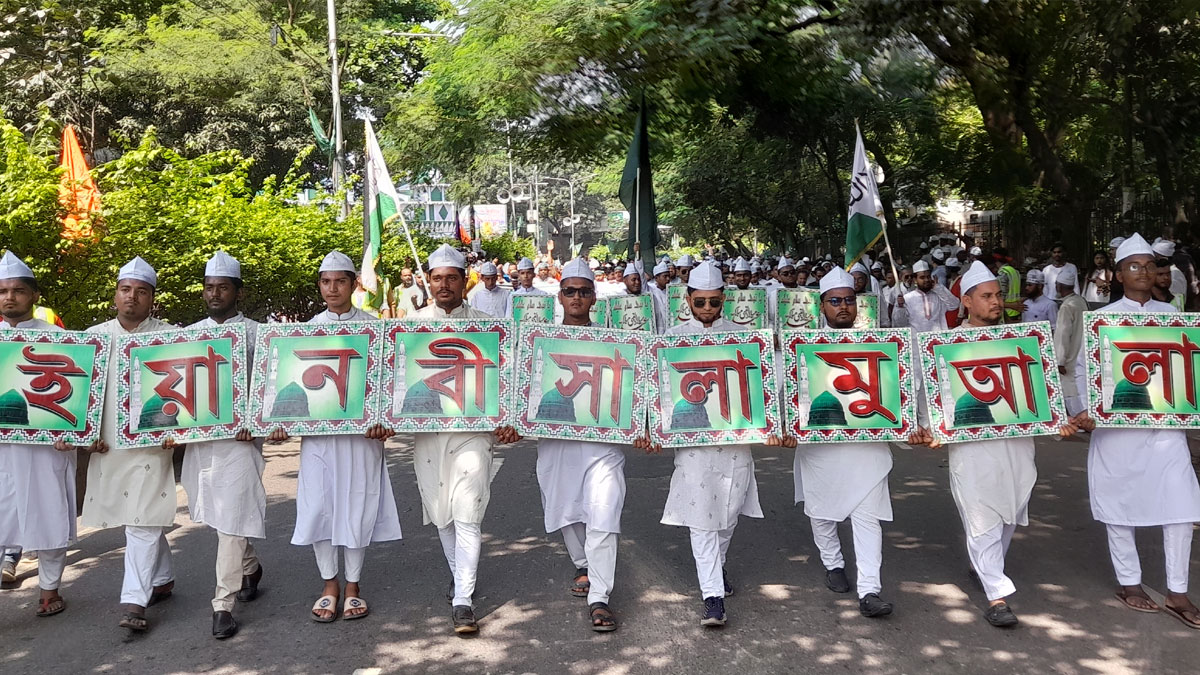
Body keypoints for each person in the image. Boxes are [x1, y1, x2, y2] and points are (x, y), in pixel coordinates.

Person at [910, 261, 1078, 628]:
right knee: (981, 515)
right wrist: (932, 428)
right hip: (971, 451)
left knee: (1009, 512)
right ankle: (996, 596)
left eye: (998, 295)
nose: (996, 302)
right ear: (967, 302)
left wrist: (1058, 423)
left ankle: (985, 568)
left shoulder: (1022, 342)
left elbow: (1039, 392)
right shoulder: (947, 345)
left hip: (1017, 447)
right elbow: (934, 398)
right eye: (987, 296)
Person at [267, 251, 402, 624]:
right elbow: (288, 387)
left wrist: (386, 421)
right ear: (319, 286)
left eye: (340, 281)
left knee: (358, 505)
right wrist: (279, 421)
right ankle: (329, 584)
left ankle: (353, 586)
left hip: (362, 438)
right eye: (326, 282)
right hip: (319, 440)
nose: (332, 289)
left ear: (353, 284)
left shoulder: (376, 331)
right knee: (319, 508)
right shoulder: (304, 333)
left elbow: (389, 385)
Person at [1075, 233, 1200, 629]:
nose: (1144, 272)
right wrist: (1086, 409)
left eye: (1150, 266)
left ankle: (1178, 591)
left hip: (1166, 429)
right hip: (1117, 432)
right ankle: (1129, 582)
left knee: (1181, 505)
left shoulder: (1174, 318)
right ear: (1118, 275)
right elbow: (1082, 370)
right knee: (1120, 504)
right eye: (1134, 266)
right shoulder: (1102, 319)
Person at [655, 260, 790, 627]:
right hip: (693, 448)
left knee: (727, 517)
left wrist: (772, 424)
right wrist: (651, 428)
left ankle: (718, 566)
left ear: (723, 300)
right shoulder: (672, 340)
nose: (707, 308)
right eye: (700, 302)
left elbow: (762, 389)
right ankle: (712, 596)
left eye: (714, 302)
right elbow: (658, 393)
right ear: (687, 300)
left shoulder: (744, 338)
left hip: (736, 446)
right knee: (702, 519)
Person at [409, 244, 522, 634]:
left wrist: (509, 419)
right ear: (429, 281)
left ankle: (463, 601)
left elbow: (506, 378)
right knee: (441, 514)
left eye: (451, 278)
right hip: (429, 435)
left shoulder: (489, 328)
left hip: (473, 433)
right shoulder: (410, 327)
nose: (444, 285)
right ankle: (460, 578)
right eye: (437, 278)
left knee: (467, 513)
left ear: (465, 281)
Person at [535, 258, 641, 632]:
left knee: (604, 511)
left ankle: (600, 596)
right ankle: (583, 563)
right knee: (565, 508)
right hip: (557, 443)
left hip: (603, 446)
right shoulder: (539, 343)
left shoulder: (615, 343)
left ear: (594, 297)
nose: (577, 297)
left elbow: (632, 391)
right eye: (570, 291)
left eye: (583, 291)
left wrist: (643, 423)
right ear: (560, 297)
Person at [81, 257, 176, 632]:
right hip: (109, 445)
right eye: (125, 290)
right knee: (135, 516)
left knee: (143, 519)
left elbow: (188, 392)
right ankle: (162, 577)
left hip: (153, 445)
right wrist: (84, 436)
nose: (132, 297)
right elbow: (78, 395)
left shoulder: (170, 337)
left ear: (152, 298)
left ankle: (135, 601)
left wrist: (182, 431)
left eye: (141, 291)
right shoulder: (93, 339)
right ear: (115, 295)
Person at [795, 267, 894, 618]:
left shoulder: (878, 344)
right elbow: (788, 395)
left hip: (867, 448)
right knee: (821, 509)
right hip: (819, 447)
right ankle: (833, 563)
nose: (843, 307)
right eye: (835, 301)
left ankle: (870, 590)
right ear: (821, 306)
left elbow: (896, 391)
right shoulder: (802, 347)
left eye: (849, 300)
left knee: (868, 516)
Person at [179, 251, 267, 639]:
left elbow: (268, 388)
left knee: (232, 515)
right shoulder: (188, 336)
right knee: (219, 516)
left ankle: (222, 605)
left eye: (223, 287)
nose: (215, 294)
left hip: (239, 443)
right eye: (209, 287)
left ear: (238, 292)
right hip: (201, 442)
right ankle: (250, 567)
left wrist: (258, 424)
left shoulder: (258, 334)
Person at [0, 251, 77, 617]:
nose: (9, 297)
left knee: (48, 511)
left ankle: (49, 589)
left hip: (47, 446)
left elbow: (76, 395)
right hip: (3, 447)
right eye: (3, 291)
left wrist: (71, 432)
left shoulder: (59, 339)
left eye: (17, 290)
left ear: (34, 295)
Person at [1053, 268, 1087, 416]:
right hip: (1082, 351)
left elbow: (1063, 334)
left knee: (1069, 388)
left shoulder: (1067, 306)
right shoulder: (1080, 301)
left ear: (1059, 286)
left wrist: (1060, 360)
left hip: (1070, 356)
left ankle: (1078, 418)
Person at [647, 259, 672, 333]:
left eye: (668, 276)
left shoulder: (673, 291)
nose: (668, 279)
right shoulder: (651, 290)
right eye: (665, 276)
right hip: (658, 332)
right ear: (656, 278)